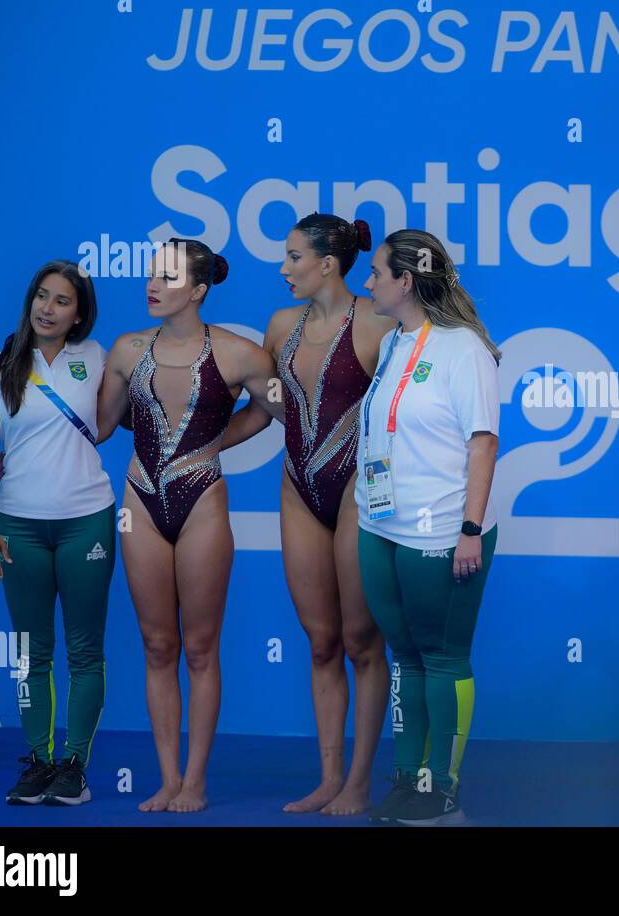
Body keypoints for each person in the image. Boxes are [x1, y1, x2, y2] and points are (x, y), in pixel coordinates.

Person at [222, 213, 396, 814]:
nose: (283, 267)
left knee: (360, 640)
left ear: (328, 263)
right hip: (298, 487)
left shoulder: (378, 321)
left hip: (356, 490)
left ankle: (360, 781)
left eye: (294, 257)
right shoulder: (280, 325)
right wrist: (206, 444)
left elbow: (410, 411)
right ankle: (328, 778)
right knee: (321, 641)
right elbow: (268, 408)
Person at [97, 238, 277, 812]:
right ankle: (168, 778)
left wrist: (216, 443)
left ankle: (196, 780)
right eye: (152, 274)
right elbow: (100, 426)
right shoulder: (125, 350)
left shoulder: (241, 354)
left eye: (168, 277)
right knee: (157, 645)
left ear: (199, 290)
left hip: (203, 501)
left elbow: (274, 409)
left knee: (199, 648)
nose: (153, 284)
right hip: (139, 500)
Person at [356, 229, 502, 826]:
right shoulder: (393, 342)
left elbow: (483, 442)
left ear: (405, 282)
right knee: (405, 660)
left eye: (375, 273)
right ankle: (410, 780)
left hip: (443, 532)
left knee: (441, 659)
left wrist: (471, 528)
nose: (367, 283)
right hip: (382, 526)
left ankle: (443, 789)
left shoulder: (463, 348)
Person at [0, 260, 116, 807]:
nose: (48, 309)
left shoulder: (98, 360)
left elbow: (122, 414)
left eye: (62, 301)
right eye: (42, 297)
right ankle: (38, 761)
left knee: (85, 651)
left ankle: (74, 764)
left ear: (80, 314)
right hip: (18, 526)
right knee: (31, 651)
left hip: (87, 520)